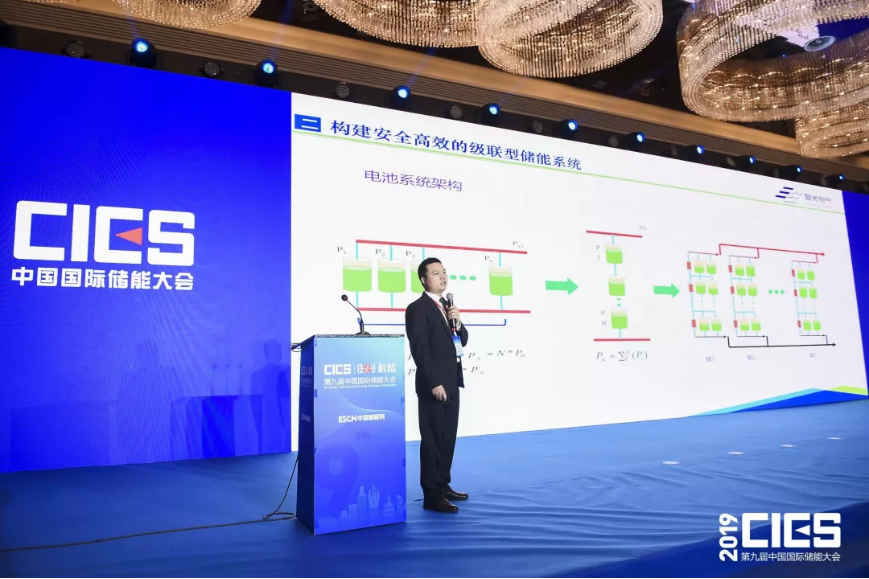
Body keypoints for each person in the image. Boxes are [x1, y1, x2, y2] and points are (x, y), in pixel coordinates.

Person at [405, 257, 470, 513]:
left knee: (447, 438)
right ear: (423, 279)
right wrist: (434, 382)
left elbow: (462, 340)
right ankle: (432, 496)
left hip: (452, 382)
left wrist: (458, 322)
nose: (442, 276)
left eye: (444, 272)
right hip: (434, 385)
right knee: (432, 439)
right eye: (435, 273)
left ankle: (443, 485)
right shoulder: (418, 308)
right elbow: (419, 348)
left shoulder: (446, 307)